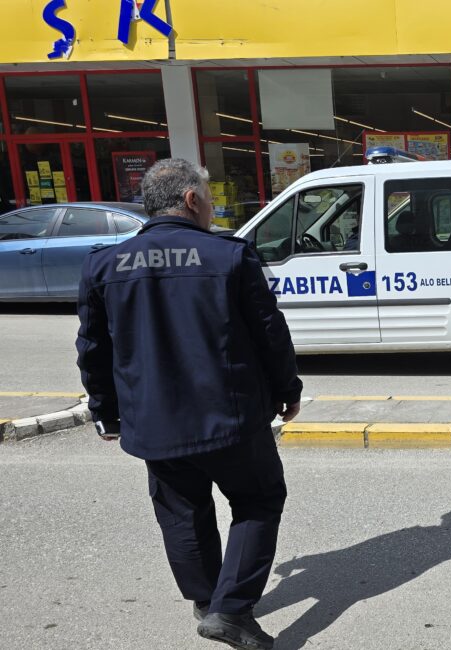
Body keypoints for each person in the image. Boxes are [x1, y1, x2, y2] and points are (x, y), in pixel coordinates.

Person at [76, 159, 302, 649]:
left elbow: (94, 349)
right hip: (231, 417)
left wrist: (105, 411)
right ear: (191, 200)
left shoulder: (104, 264)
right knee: (259, 501)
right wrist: (288, 390)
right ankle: (230, 609)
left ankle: (207, 600)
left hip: (153, 421)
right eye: (209, 197)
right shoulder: (228, 255)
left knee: (181, 510)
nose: (212, 207)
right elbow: (270, 332)